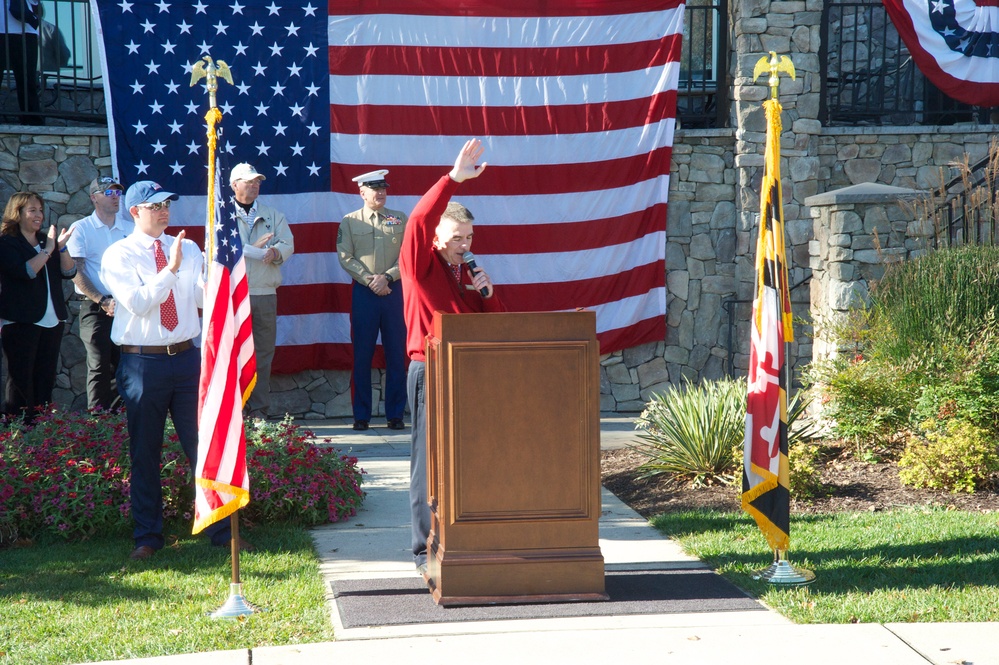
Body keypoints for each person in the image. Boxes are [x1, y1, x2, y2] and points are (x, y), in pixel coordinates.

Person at [101, 180, 250, 561]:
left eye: (167, 203)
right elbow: (136, 302)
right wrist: (170, 270)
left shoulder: (189, 248)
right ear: (135, 211)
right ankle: (147, 536)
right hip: (142, 362)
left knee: (203, 446)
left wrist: (217, 274)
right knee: (145, 451)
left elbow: (203, 300)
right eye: (155, 206)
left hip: (186, 359)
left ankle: (222, 530)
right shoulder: (119, 254)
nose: (164, 210)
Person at [399, 139, 505, 573]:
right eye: (457, 237)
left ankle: (464, 535)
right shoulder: (419, 263)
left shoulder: (466, 273)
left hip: (470, 372)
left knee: (468, 456)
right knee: (428, 461)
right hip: (431, 370)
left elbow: (490, 327)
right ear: (438, 236)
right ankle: (424, 549)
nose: (464, 244)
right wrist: (453, 178)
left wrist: (489, 295)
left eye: (469, 237)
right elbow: (418, 220)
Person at [337, 169, 408, 431]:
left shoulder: (399, 219)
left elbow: (408, 255)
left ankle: (395, 414)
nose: (380, 193)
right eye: (374, 189)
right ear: (362, 192)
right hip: (364, 294)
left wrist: (387, 278)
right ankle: (361, 415)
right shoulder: (350, 221)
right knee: (362, 355)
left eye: (383, 189)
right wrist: (370, 280)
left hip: (394, 292)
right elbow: (345, 256)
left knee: (396, 355)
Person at [0, 191, 75, 422]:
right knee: (21, 379)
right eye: (32, 210)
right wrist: (48, 250)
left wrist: (61, 248)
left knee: (45, 377)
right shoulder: (7, 242)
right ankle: (17, 428)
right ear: (18, 213)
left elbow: (69, 272)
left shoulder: (46, 242)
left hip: (52, 320)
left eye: (40, 210)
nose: (39, 215)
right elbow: (27, 271)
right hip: (21, 321)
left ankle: (41, 430)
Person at [228, 162, 294, 420]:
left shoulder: (273, 214)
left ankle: (258, 411)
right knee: (233, 353)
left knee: (263, 354)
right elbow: (219, 251)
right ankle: (235, 409)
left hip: (265, 293)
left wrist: (276, 251)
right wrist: (253, 248)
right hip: (234, 294)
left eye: (257, 181)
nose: (254, 185)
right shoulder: (221, 214)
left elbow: (287, 243)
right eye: (248, 181)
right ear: (234, 185)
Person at [66, 176, 133, 412]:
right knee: (99, 365)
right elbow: (76, 270)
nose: (116, 197)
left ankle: (124, 420)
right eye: (109, 193)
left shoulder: (130, 227)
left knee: (129, 366)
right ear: (94, 197)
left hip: (128, 306)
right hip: (96, 307)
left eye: (118, 193)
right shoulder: (81, 228)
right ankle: (98, 425)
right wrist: (102, 300)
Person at [1, 0, 43, 125]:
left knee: (27, 78)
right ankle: (32, 119)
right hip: (12, 31)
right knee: (26, 78)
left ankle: (32, 120)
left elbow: (35, 4)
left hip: (25, 31)